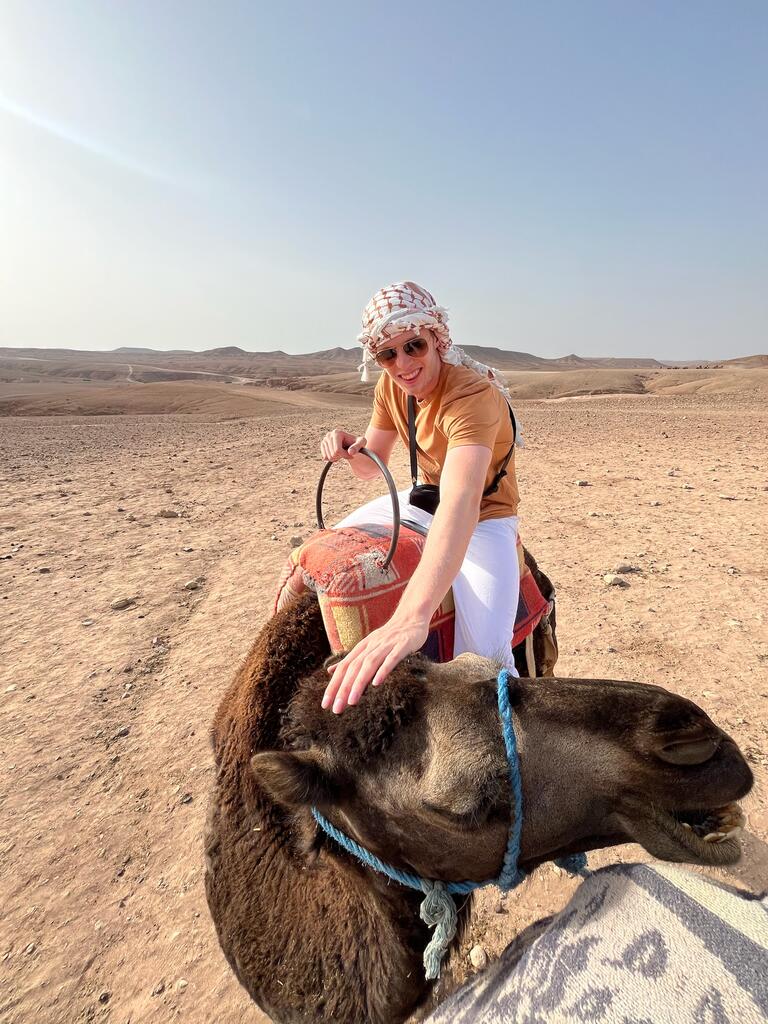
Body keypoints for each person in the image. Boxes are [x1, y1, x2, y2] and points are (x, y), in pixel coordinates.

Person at [320, 281, 521, 714]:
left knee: (486, 660)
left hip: (484, 516)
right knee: (324, 553)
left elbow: (462, 501)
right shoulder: (393, 389)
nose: (403, 364)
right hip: (423, 499)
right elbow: (372, 467)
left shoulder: (471, 395)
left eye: (414, 346)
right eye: (387, 355)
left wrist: (411, 618)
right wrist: (349, 448)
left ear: (436, 339)